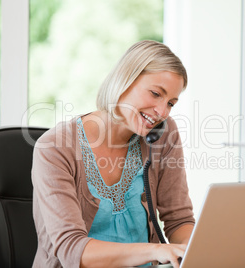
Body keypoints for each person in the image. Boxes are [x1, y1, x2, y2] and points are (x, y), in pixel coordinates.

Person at [31, 40, 195, 268]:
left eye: (171, 103)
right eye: (156, 93)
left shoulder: (164, 135)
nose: (162, 112)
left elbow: (179, 220)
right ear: (124, 79)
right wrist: (157, 250)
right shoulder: (54, 148)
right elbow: (71, 249)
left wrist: (196, 252)